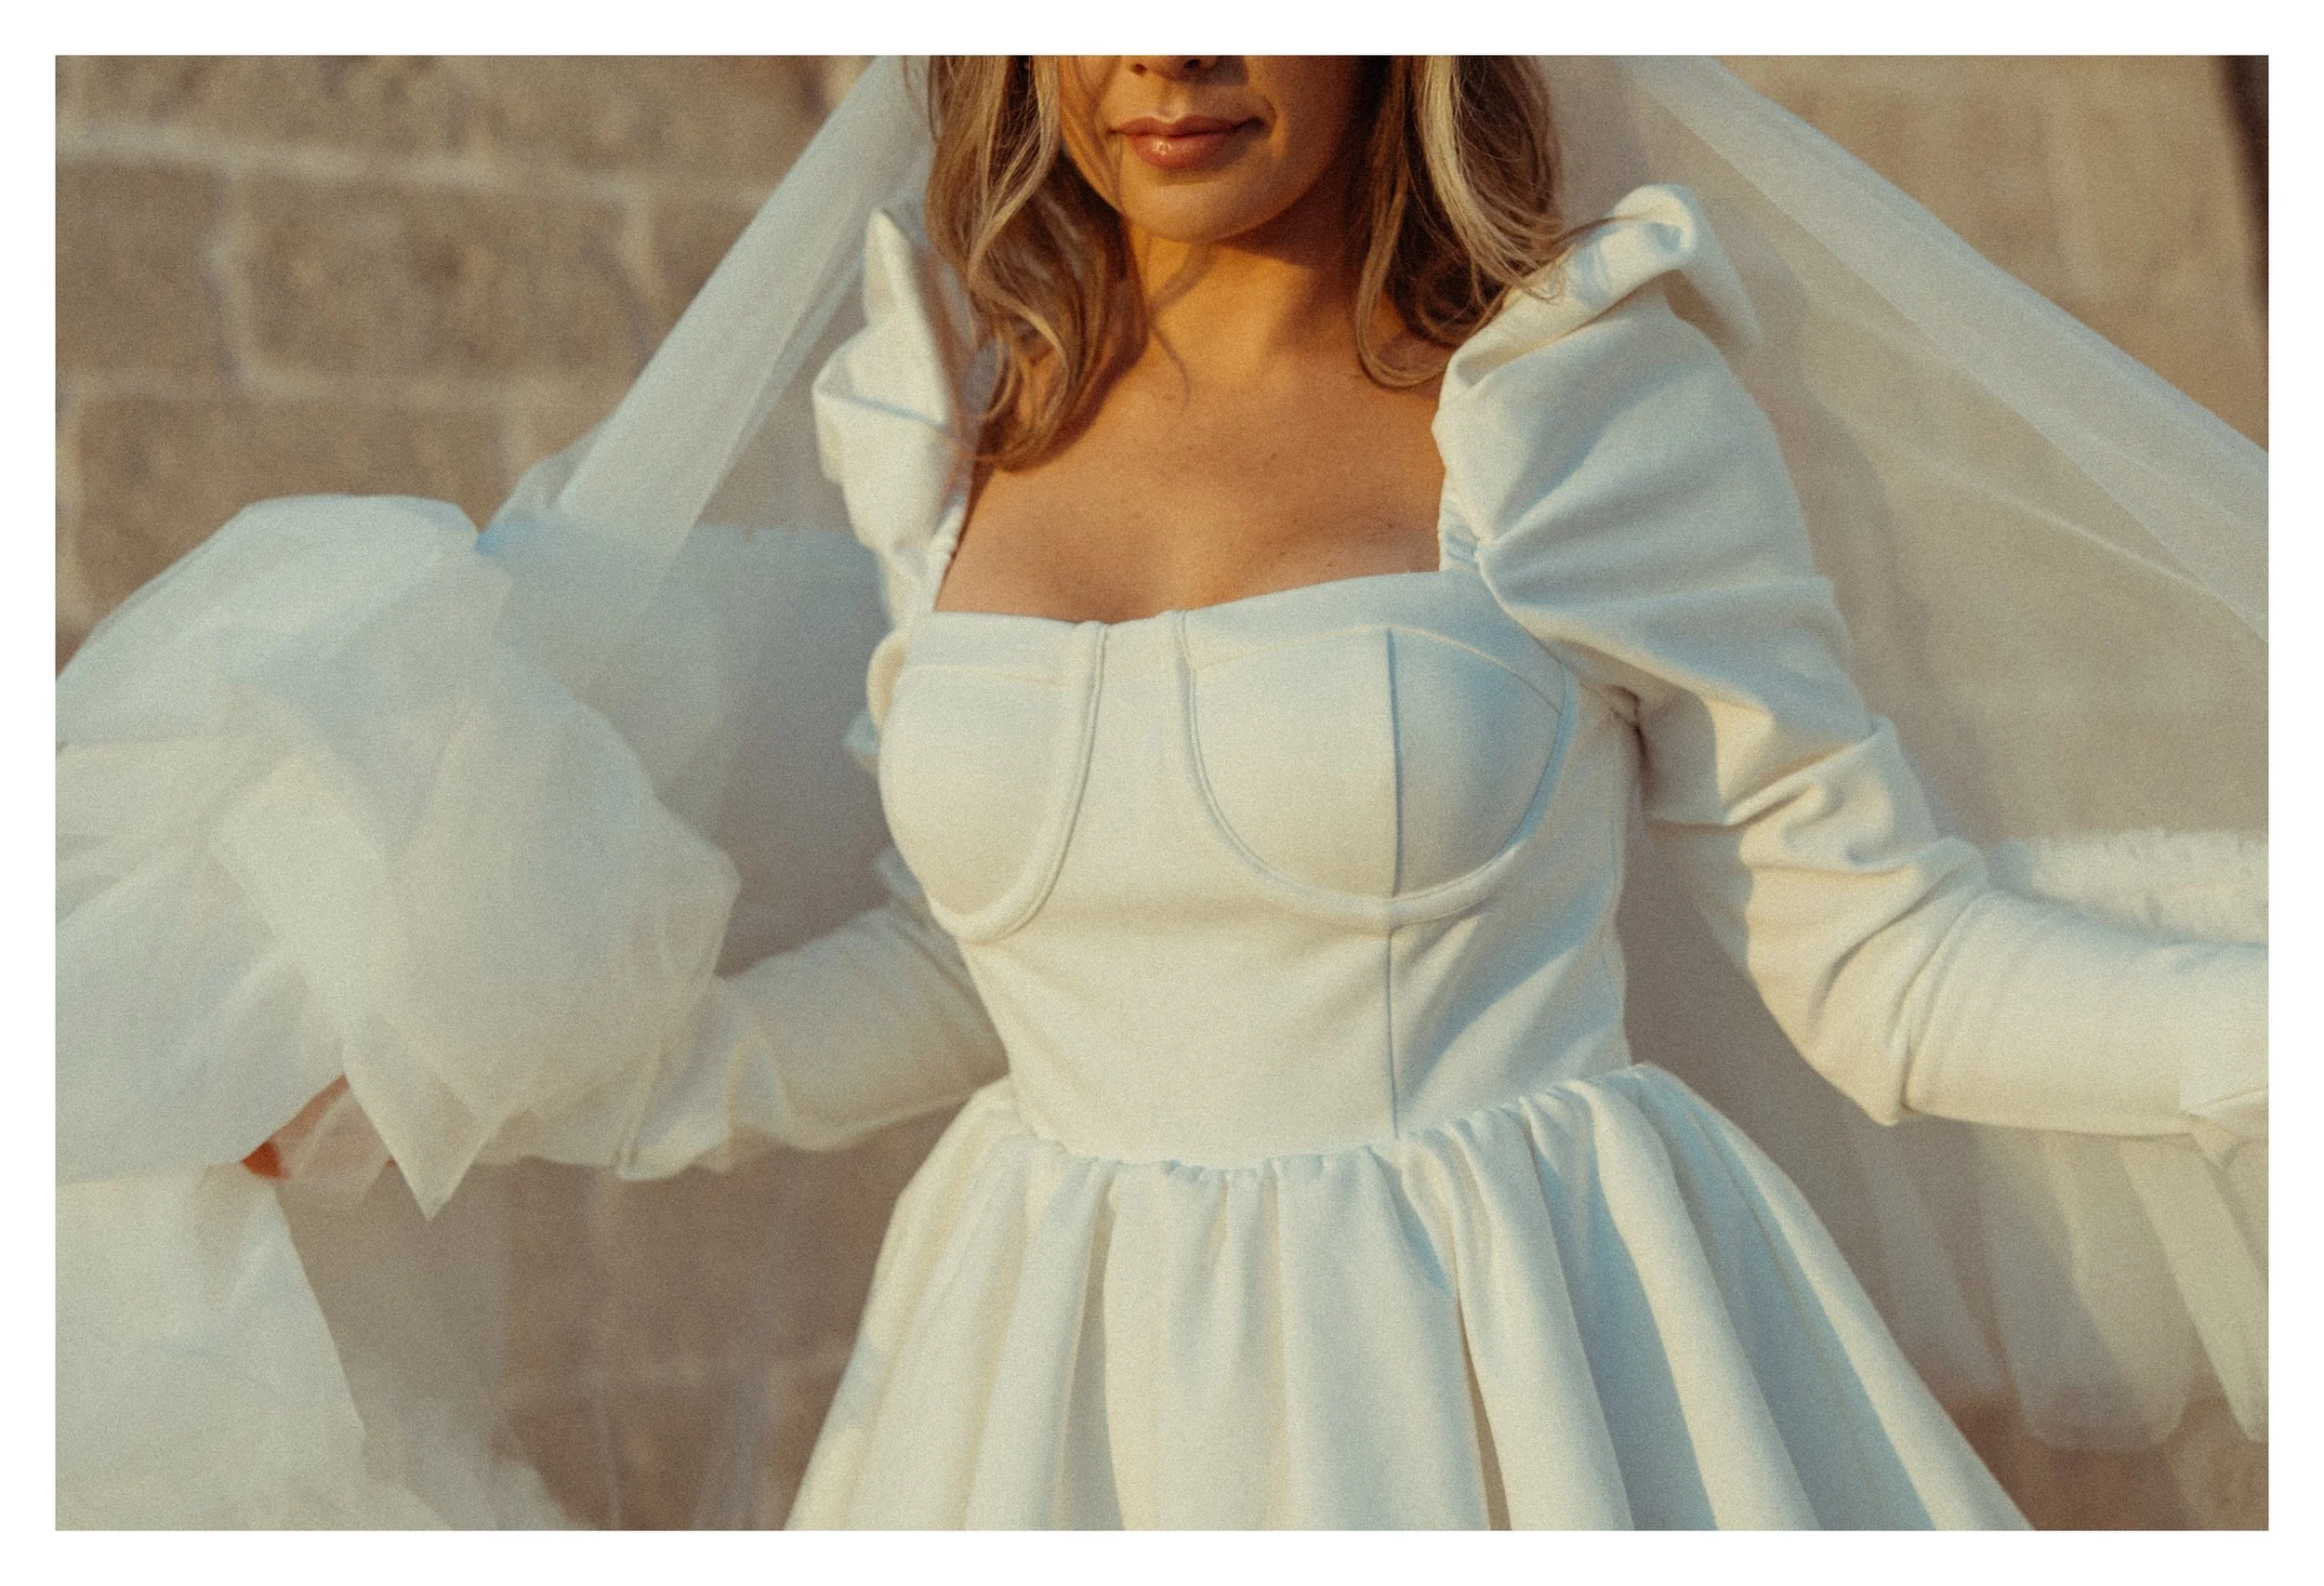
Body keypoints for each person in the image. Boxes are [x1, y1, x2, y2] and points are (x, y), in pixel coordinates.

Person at [57, 57, 2266, 1529]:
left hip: (1530, 1371)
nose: (1173, 51)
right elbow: (969, 960)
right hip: (1051, 1383)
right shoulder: (935, 428)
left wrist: (2261, 1031)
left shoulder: (1581, 407)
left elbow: (1874, 957)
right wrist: (459, 1083)